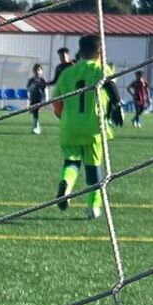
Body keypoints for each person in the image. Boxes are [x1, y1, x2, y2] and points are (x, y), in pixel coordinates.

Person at [53, 32, 109, 218]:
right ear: (99, 51)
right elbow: (109, 94)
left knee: (71, 162)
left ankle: (66, 185)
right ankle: (93, 206)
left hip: (70, 126)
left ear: (80, 51)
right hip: (93, 126)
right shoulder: (102, 70)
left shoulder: (67, 73)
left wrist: (65, 118)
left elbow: (57, 103)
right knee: (93, 167)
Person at [25, 63, 48, 134]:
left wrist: (46, 99)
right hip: (33, 98)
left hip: (40, 98)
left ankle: (36, 126)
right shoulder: (31, 80)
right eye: (35, 70)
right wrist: (28, 99)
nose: (37, 72)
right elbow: (28, 89)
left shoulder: (42, 80)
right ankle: (35, 126)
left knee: (36, 112)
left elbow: (45, 90)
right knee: (34, 112)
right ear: (33, 71)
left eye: (39, 70)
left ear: (41, 71)